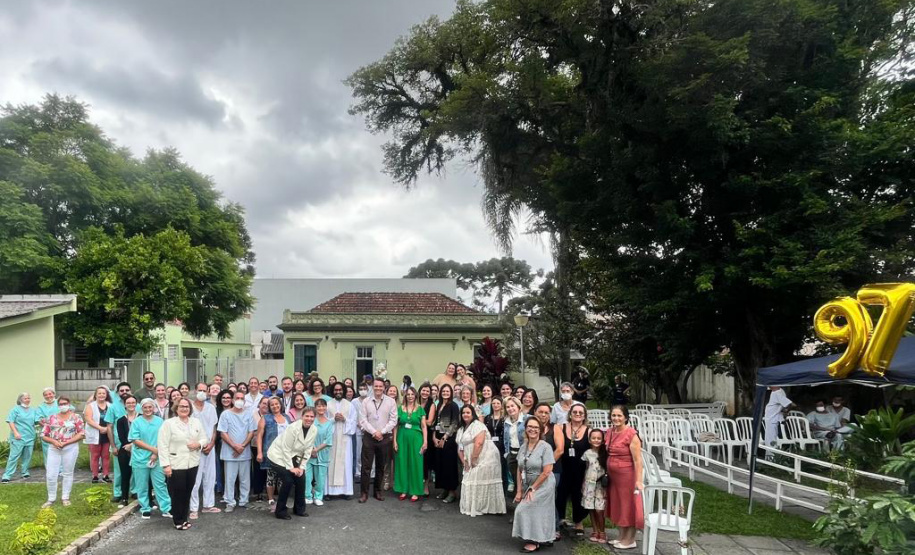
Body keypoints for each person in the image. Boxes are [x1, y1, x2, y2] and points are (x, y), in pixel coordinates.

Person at [158, 398, 208, 530]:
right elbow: (162, 445)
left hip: (192, 463)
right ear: (176, 408)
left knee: (187, 492)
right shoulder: (168, 424)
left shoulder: (196, 422)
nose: (184, 409)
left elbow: (204, 438)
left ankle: (184, 518)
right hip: (175, 463)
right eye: (181, 406)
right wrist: (166, 465)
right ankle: (177, 520)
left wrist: (198, 444)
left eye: (187, 406)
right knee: (177, 493)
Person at [512, 416, 557, 553]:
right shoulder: (523, 447)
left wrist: (533, 488)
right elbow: (520, 469)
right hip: (528, 483)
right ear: (525, 428)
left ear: (540, 430)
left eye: (536, 427)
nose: (532, 429)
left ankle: (533, 540)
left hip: (543, 483)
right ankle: (544, 537)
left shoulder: (545, 447)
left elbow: (547, 471)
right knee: (537, 511)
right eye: (530, 426)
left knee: (525, 509)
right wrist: (519, 491)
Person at [266, 407, 318, 520]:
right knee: (288, 480)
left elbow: (308, 450)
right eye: (307, 416)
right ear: (302, 416)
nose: (309, 419)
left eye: (312, 416)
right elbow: (286, 449)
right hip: (277, 455)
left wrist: (302, 467)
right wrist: (291, 468)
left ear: (315, 418)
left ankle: (299, 509)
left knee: (301, 478)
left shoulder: (314, 429)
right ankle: (280, 511)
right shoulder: (293, 428)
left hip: (294, 455)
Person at [605, 405, 644, 549]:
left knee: (628, 507)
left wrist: (638, 480)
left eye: (619, 416)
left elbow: (637, 460)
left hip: (627, 476)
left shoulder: (631, 434)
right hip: (613, 477)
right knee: (618, 506)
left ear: (626, 417)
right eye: (613, 415)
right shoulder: (609, 432)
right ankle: (621, 536)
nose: (616, 418)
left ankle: (630, 539)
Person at [456, 405, 506, 516]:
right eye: (463, 413)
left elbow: (479, 443)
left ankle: (488, 507)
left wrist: (473, 460)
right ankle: (477, 506)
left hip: (485, 457)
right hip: (469, 458)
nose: (465, 415)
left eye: (468, 412)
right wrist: (464, 462)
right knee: (471, 480)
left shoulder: (478, 426)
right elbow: (460, 447)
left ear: (473, 414)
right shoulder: (461, 429)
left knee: (480, 479)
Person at [130, 399, 172, 519]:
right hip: (140, 458)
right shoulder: (136, 422)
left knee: (160, 484)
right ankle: (145, 508)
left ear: (154, 408)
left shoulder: (160, 421)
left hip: (157, 458)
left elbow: (164, 438)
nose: (148, 410)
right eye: (145, 407)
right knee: (141, 485)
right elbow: (135, 440)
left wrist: (156, 453)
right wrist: (153, 450)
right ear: (141, 408)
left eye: (150, 407)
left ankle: (166, 508)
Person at [358, 377, 398, 503]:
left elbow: (393, 420)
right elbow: (362, 420)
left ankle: (377, 491)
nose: (378, 388)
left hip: (384, 437)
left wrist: (382, 432)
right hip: (369, 437)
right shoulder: (366, 402)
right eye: (376, 386)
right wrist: (374, 432)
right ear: (372, 387)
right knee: (366, 466)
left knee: (381, 466)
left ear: (384, 388)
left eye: (381, 386)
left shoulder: (391, 402)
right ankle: (364, 493)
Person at [218, 390, 258, 512]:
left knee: (245, 478)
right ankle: (230, 501)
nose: (239, 400)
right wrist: (235, 446)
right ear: (233, 400)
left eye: (242, 398)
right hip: (230, 452)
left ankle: (244, 500)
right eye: (237, 398)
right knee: (230, 479)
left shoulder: (249, 414)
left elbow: (252, 432)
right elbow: (223, 433)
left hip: (244, 452)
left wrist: (242, 446)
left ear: (244, 401)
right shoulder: (225, 414)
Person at [41, 396, 85, 507]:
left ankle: (65, 497)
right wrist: (54, 442)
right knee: (51, 474)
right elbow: (43, 435)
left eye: (65, 403)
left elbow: (81, 433)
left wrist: (66, 443)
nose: (63, 406)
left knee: (68, 472)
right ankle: (51, 498)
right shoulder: (51, 418)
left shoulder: (76, 417)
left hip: (70, 447)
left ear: (69, 404)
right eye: (60, 404)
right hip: (54, 448)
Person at [556, 403, 589, 537]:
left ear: (584, 416)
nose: (577, 414)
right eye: (575, 412)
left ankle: (578, 522)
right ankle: (560, 518)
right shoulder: (561, 427)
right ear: (570, 414)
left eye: (581, 413)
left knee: (578, 495)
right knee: (561, 493)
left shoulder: (589, 431)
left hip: (580, 468)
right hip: (563, 466)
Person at [189, 383, 220, 518]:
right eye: (199, 390)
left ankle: (208, 505)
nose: (202, 392)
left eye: (204, 390)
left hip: (209, 448)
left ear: (208, 392)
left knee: (210, 477)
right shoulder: (189, 407)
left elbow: (214, 428)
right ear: (195, 391)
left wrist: (212, 443)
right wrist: (197, 445)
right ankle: (193, 508)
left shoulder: (211, 408)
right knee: (195, 479)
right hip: (194, 448)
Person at [257, 397, 292, 511]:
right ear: (269, 407)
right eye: (272, 405)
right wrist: (259, 452)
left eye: (277, 404)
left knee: (284, 477)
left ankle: (282, 499)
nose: (275, 406)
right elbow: (259, 436)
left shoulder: (286, 417)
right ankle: (271, 499)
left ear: (280, 405)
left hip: (285, 452)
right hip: (271, 452)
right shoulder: (265, 418)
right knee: (271, 476)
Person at [393, 386, 427, 501]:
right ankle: (403, 489)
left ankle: (415, 491)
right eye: (408, 394)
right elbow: (396, 426)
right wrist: (394, 441)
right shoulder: (400, 408)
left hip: (416, 438)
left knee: (415, 463)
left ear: (415, 395)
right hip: (401, 437)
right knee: (402, 462)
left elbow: (423, 426)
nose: (410, 396)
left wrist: (425, 441)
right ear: (405, 396)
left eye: (412, 394)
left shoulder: (420, 409)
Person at [325, 382, 357, 499]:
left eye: (340, 390)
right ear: (332, 391)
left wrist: (344, 419)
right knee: (330, 462)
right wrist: (333, 419)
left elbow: (354, 421)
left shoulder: (350, 405)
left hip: (345, 438)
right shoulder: (327, 405)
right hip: (332, 438)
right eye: (335, 390)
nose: (338, 392)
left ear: (343, 391)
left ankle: (346, 491)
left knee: (346, 463)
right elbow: (323, 420)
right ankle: (329, 492)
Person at [432, 384, 461, 503]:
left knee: (449, 466)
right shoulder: (439, 404)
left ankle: (452, 492)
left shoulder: (453, 405)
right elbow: (435, 422)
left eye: (447, 391)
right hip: (438, 437)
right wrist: (434, 437)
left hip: (449, 439)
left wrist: (444, 438)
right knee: (441, 465)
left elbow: (454, 423)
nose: (445, 393)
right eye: (443, 391)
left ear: (451, 393)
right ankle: (444, 489)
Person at [3, 393, 38, 483]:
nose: (27, 399)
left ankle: (24, 472)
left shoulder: (33, 410)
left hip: (30, 436)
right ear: (20, 399)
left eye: (28, 398)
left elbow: (37, 422)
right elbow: (11, 421)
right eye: (25, 398)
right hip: (18, 437)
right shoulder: (15, 410)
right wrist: (15, 432)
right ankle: (7, 475)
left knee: (27, 456)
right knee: (14, 456)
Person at [306, 399, 334, 506]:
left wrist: (316, 450)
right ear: (315, 407)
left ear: (326, 407)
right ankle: (307, 496)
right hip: (309, 452)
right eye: (318, 406)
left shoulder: (329, 423)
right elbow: (307, 436)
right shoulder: (311, 421)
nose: (321, 408)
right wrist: (312, 449)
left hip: (322, 453)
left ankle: (318, 496)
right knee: (308, 477)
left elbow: (328, 440)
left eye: (323, 406)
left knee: (320, 477)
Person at [582, 429, 608, 543]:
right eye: (593, 438)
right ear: (589, 440)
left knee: (599, 509)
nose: (596, 440)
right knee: (591, 508)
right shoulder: (587, 453)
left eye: (599, 438)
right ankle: (595, 530)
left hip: (600, 485)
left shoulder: (605, 453)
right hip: (589, 484)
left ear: (602, 440)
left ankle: (602, 531)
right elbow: (585, 468)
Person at [84, 386, 113, 483]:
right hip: (95, 432)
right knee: (95, 455)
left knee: (106, 455)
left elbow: (114, 418)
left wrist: (107, 429)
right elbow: (88, 419)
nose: (101, 395)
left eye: (103, 393)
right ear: (95, 395)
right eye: (99, 393)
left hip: (107, 433)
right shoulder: (90, 406)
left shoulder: (110, 405)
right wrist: (100, 428)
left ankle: (106, 475)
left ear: (106, 395)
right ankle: (95, 476)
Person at [113, 395, 138, 507]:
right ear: (125, 405)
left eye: (133, 402)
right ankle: (124, 497)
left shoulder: (141, 417)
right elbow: (122, 437)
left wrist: (133, 445)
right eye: (128, 403)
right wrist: (128, 445)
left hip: (139, 449)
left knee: (141, 475)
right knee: (125, 474)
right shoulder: (121, 420)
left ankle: (144, 497)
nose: (131, 405)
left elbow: (143, 435)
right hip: (125, 449)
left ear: (136, 404)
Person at [503, 396, 528, 494]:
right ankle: (519, 502)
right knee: (516, 481)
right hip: (512, 455)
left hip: (524, 454)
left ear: (518, 406)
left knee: (526, 480)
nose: (510, 409)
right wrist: (507, 454)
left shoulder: (527, 418)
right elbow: (506, 439)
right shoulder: (506, 421)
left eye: (512, 406)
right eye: (507, 407)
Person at [484, 396, 507, 492]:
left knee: (502, 471)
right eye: (493, 403)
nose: (496, 405)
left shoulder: (505, 418)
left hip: (502, 447)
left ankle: (503, 492)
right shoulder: (488, 418)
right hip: (489, 447)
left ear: (501, 405)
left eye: (498, 403)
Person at [214, 389, 234, 498]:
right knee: (222, 467)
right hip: (220, 442)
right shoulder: (216, 411)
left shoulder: (236, 410)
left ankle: (234, 491)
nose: (226, 400)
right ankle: (222, 490)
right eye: (223, 398)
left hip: (235, 443)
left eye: (228, 398)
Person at [418, 383, 437, 496]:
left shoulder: (432, 405)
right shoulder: (415, 402)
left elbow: (429, 422)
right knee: (417, 459)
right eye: (423, 390)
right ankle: (416, 484)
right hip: (415, 434)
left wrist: (416, 421)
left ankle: (426, 486)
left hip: (427, 435)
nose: (425, 393)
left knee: (426, 462)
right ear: (420, 391)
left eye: (427, 391)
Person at [36, 388, 59, 464]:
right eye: (46, 395)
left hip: (60, 431)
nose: (48, 396)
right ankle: (49, 467)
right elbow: (38, 419)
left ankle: (61, 469)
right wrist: (47, 427)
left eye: (50, 394)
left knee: (60, 448)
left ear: (54, 394)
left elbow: (70, 411)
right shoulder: (41, 407)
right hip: (47, 432)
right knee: (47, 450)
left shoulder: (60, 402)